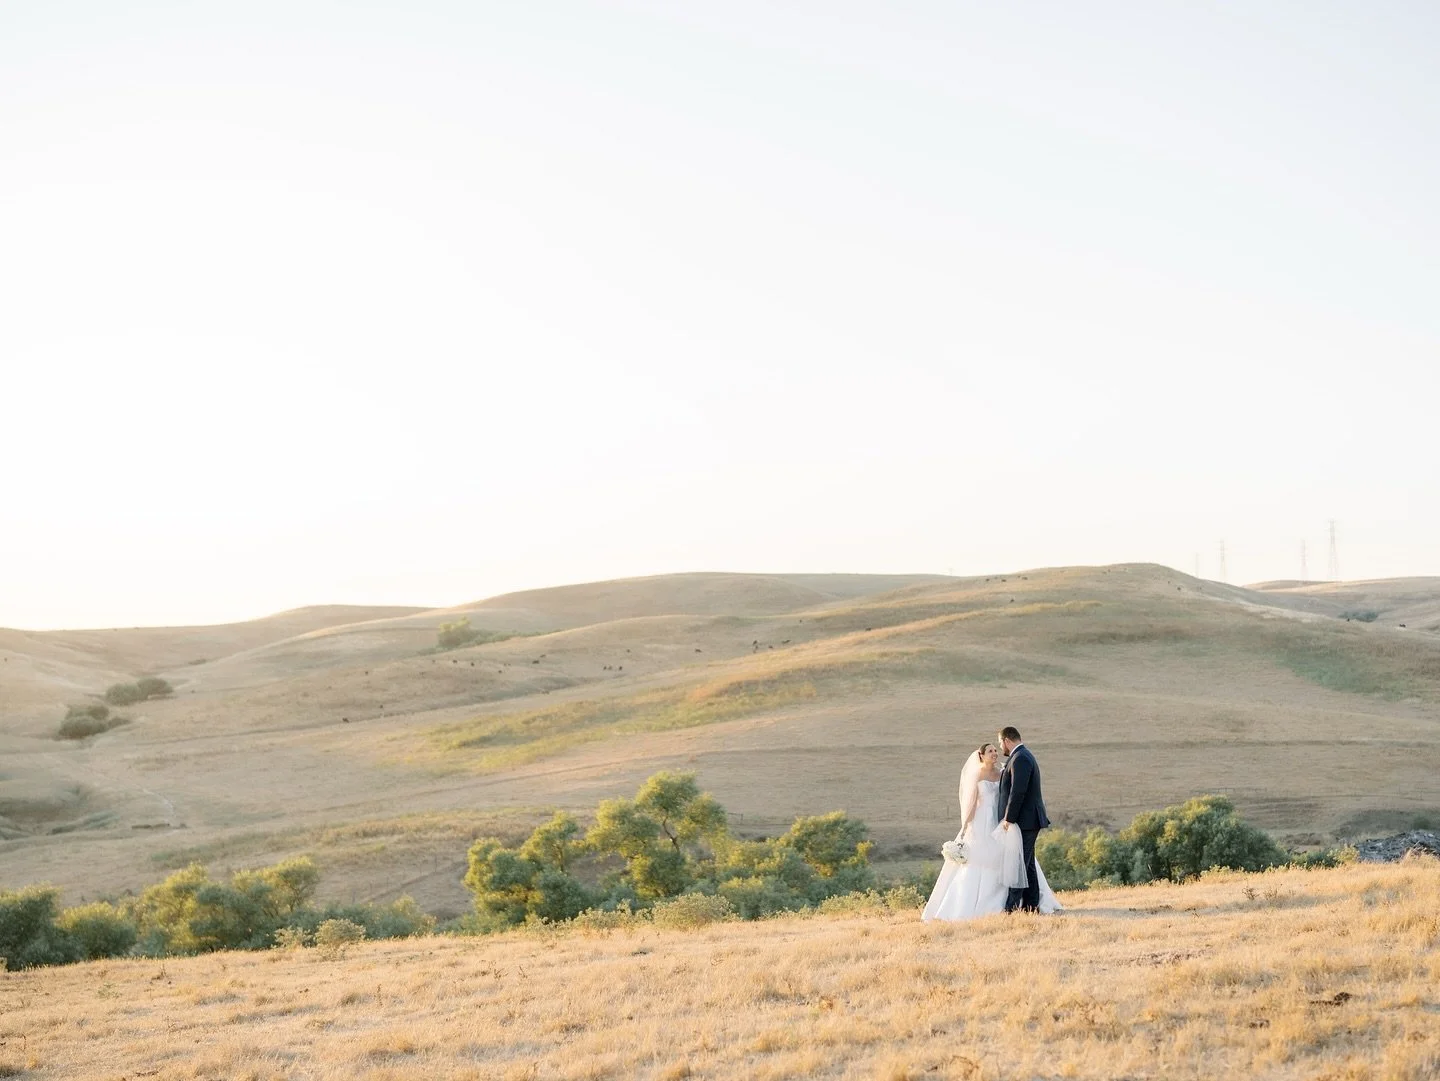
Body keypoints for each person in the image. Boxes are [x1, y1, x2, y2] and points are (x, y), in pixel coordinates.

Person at [922, 742, 1061, 921]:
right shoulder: (977, 774)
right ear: (981, 756)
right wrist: (966, 827)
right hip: (982, 821)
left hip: (1001, 820)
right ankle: (981, 905)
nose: (995, 753)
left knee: (1012, 857)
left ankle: (1018, 903)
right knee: (982, 862)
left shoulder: (1003, 771)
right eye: (990, 751)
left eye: (996, 750)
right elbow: (971, 804)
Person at [997, 725, 1050, 913]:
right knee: (1027, 865)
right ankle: (1031, 906)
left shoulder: (1020, 758)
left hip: (1026, 821)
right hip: (1027, 821)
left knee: (1019, 864)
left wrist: (1008, 819)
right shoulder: (1021, 756)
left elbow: (1018, 791)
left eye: (1000, 743)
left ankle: (1010, 909)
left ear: (1006, 741)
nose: (1000, 748)